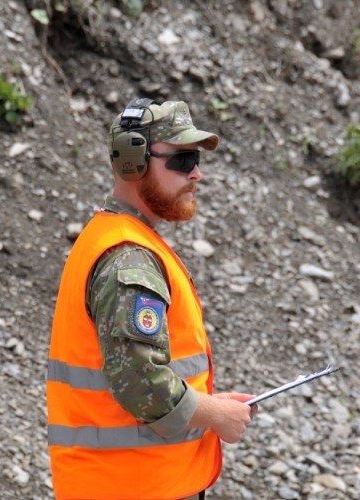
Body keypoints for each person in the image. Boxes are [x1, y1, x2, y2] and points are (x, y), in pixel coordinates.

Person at [47, 98, 256, 500]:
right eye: (182, 160)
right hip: (131, 487)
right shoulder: (129, 258)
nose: (196, 173)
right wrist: (217, 415)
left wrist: (209, 405)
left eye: (196, 160)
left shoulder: (117, 239)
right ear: (133, 162)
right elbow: (143, 385)